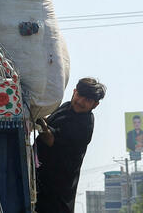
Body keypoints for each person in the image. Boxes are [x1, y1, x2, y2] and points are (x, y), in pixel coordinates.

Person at [34, 77, 106, 213]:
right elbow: (49, 122)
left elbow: (50, 138)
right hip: (41, 181)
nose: (80, 102)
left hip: (56, 191)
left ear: (95, 105)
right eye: (79, 96)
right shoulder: (67, 106)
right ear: (74, 92)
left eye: (87, 100)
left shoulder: (84, 124)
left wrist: (37, 119)